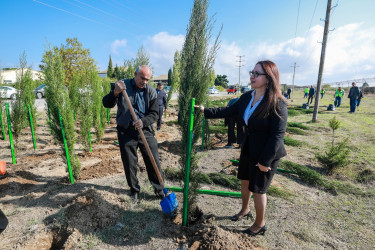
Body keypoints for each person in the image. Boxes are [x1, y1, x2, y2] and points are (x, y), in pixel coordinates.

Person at [195, 60, 287, 236]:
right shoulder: (247, 97)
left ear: (268, 78)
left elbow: (277, 135)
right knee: (245, 181)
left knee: (259, 189)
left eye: (256, 74)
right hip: (249, 147)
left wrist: (264, 161)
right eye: (252, 72)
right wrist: (204, 110)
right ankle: (245, 210)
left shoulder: (277, 103)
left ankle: (260, 224)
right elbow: (228, 110)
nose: (252, 76)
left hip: (267, 153)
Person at [102, 65, 165, 204]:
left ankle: (160, 190)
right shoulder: (122, 85)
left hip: (146, 131)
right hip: (126, 131)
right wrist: (115, 93)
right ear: (135, 74)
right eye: (142, 78)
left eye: (148, 79)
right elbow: (106, 103)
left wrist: (143, 122)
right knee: (130, 163)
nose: (145, 82)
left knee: (152, 160)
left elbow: (154, 114)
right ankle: (134, 190)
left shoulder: (151, 91)